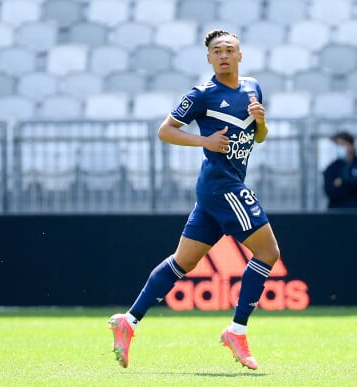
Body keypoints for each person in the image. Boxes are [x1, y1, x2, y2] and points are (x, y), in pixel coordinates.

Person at [108, 29, 280, 371]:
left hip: (217, 190)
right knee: (268, 252)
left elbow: (259, 138)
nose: (224, 55)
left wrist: (261, 122)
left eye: (230, 49)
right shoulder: (202, 94)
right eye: (217, 51)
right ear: (209, 59)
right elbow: (165, 130)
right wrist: (204, 143)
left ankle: (129, 321)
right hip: (222, 185)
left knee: (182, 262)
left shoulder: (252, 87)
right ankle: (237, 330)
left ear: (240, 55)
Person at [323, 131, 357, 209]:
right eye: (337, 145)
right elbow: (330, 191)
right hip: (337, 213)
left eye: (342, 144)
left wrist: (342, 182)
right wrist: (353, 183)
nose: (340, 148)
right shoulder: (331, 168)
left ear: (352, 145)